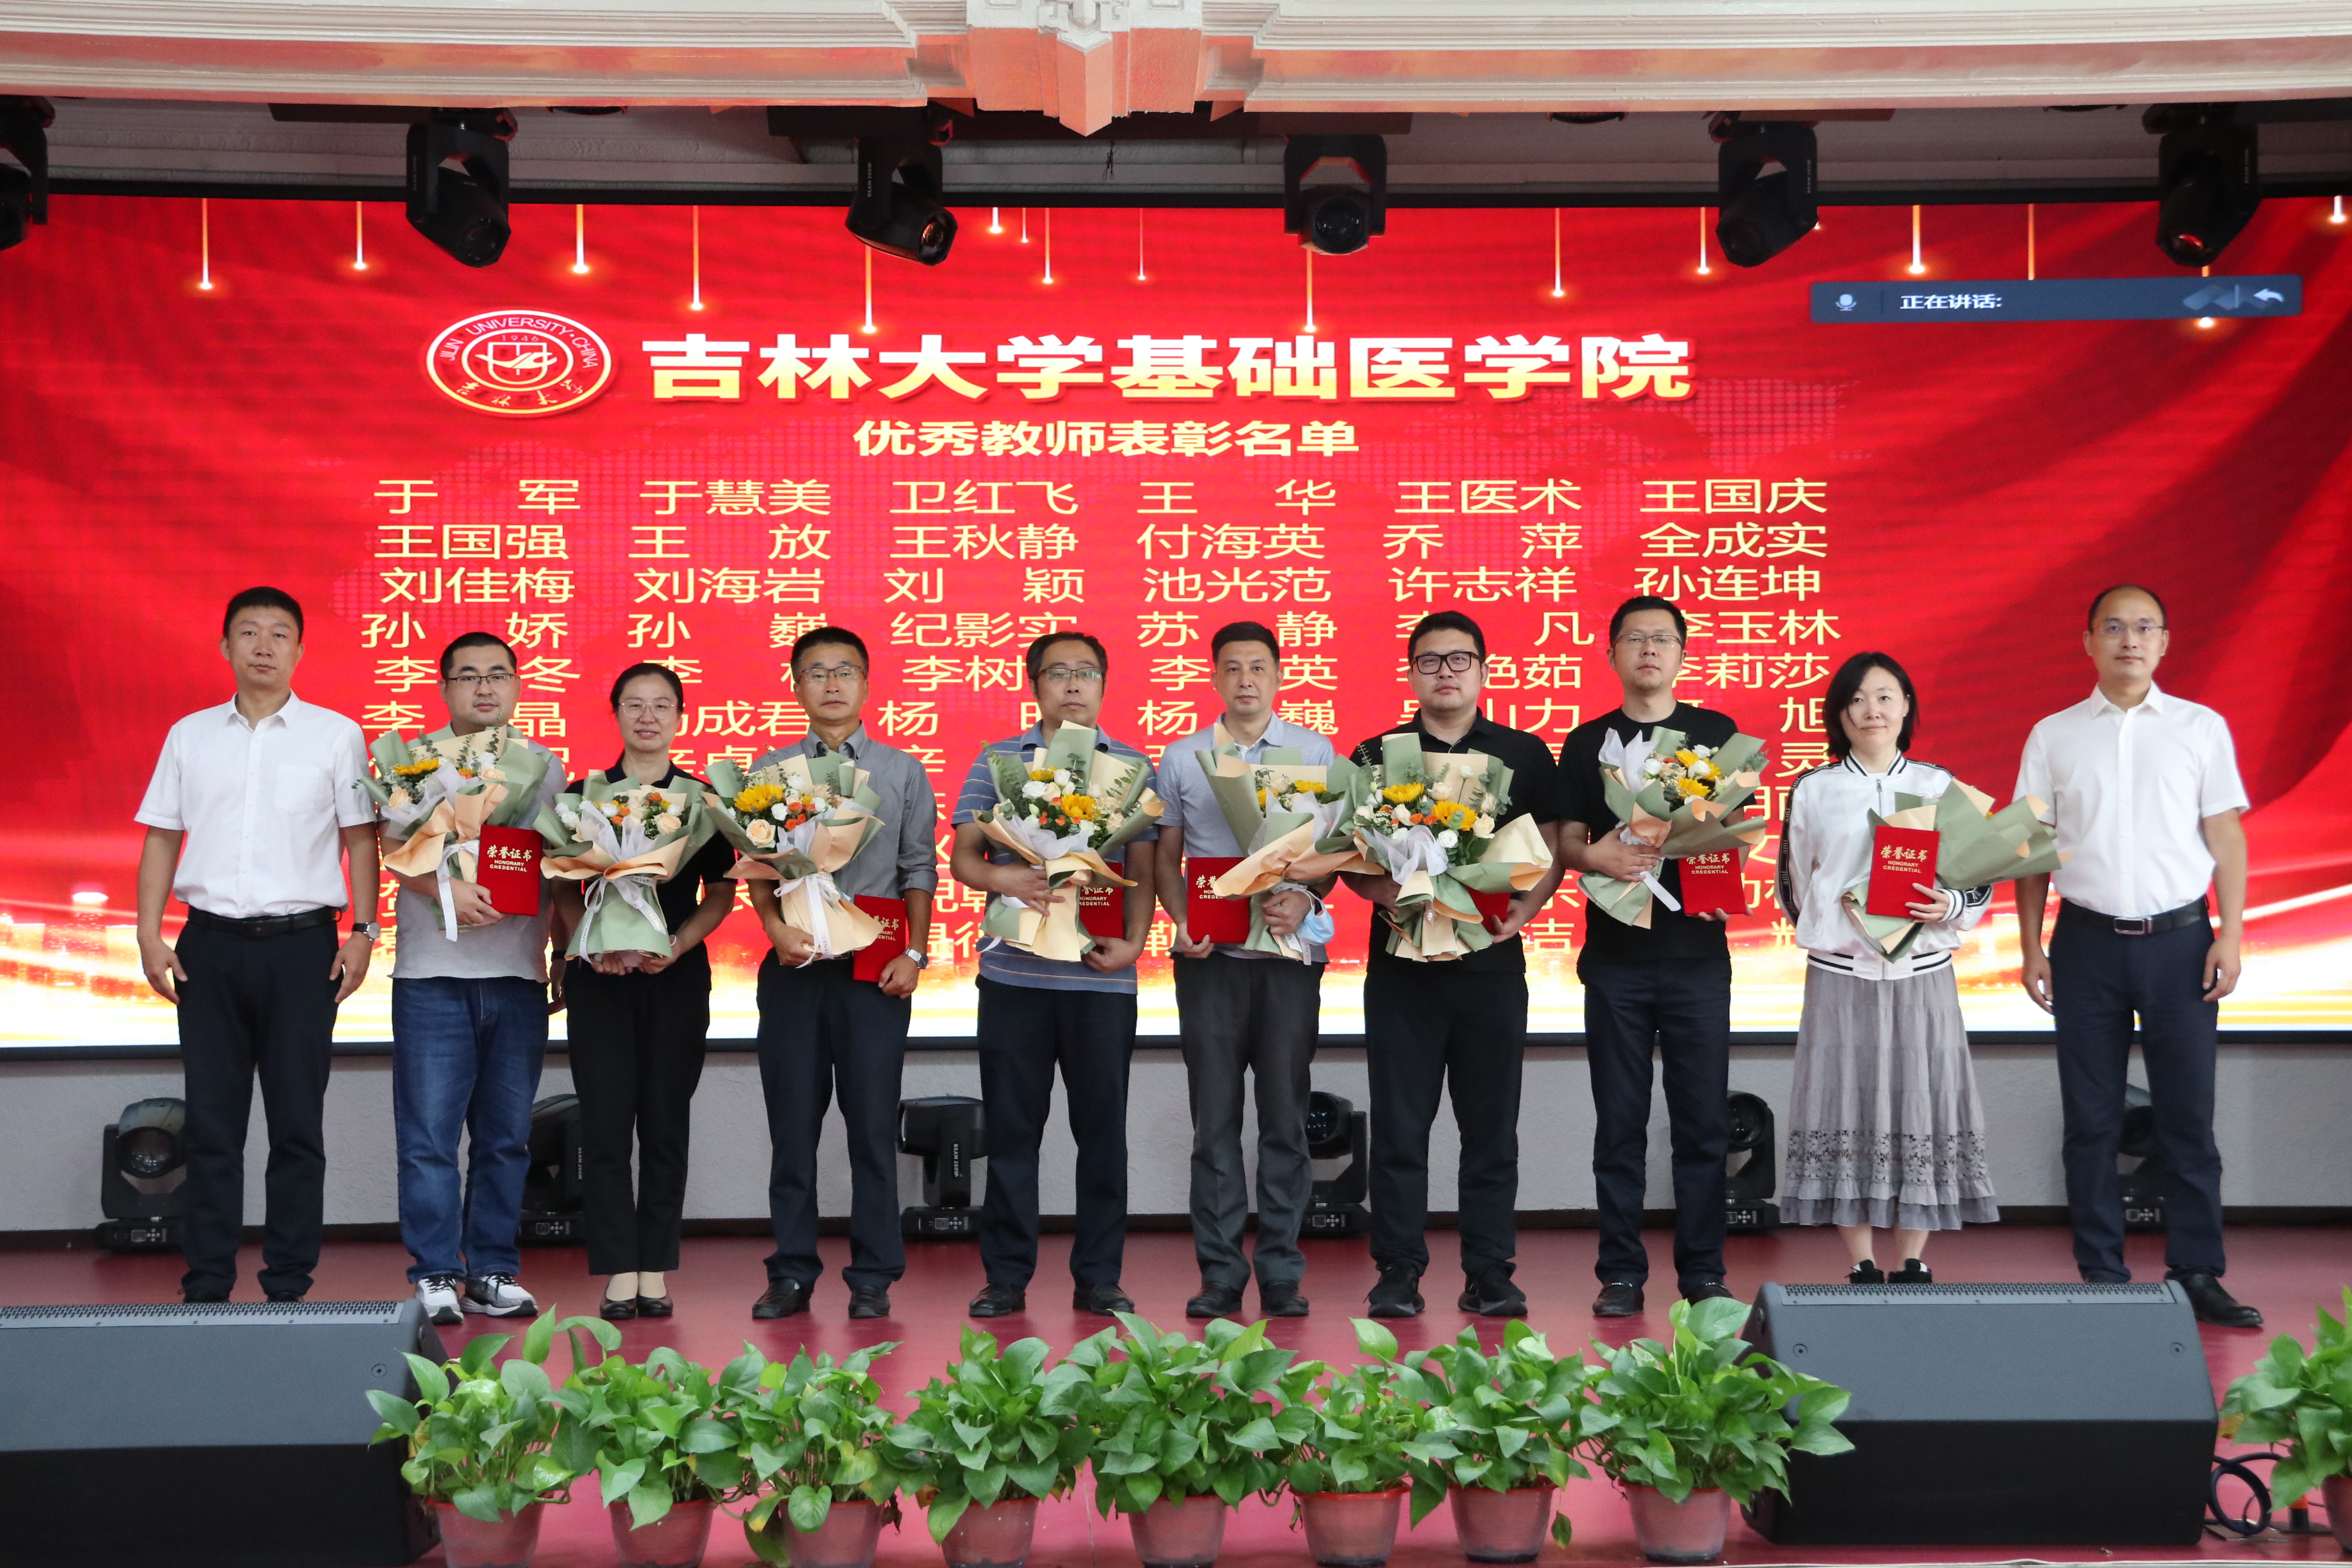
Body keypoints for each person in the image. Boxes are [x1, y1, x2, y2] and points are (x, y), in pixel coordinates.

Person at [2014, 585, 2259, 1327]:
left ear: (2164, 642)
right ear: (2088, 641)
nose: (2130, 640)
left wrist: (2231, 933)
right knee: (2090, 1120)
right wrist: (2030, 946)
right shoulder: (2053, 734)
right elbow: (2030, 848)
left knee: (2189, 1117)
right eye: (2114, 627)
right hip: (2085, 945)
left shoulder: (2200, 727)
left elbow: (2226, 837)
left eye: (2144, 627)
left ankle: (2197, 1271)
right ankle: (2103, 1275)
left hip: (2182, 944)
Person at [135, 587, 380, 1304]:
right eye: (249, 632)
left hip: (304, 950)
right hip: (207, 948)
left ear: (300, 649)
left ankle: (288, 1283)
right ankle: (208, 1282)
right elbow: (162, 836)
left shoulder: (335, 734)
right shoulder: (190, 735)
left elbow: (360, 840)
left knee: (297, 1125)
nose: (264, 645)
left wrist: (364, 932)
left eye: (279, 633)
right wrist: (149, 933)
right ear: (226, 647)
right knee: (212, 1127)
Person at [1341, 610, 1566, 1320]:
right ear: (1412, 673)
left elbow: (1551, 845)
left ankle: (1489, 1271)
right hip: (1401, 970)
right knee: (1400, 1129)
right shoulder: (1377, 755)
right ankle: (1398, 1271)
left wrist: (1523, 913)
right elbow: (1348, 855)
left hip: (1489, 966)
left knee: (1490, 1130)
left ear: (1484, 670)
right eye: (1431, 660)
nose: (1446, 672)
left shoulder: (1523, 753)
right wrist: (1388, 894)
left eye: (1459, 659)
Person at [949, 632, 1157, 1319]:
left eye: (1086, 672)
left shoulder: (1132, 767)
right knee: (1013, 1132)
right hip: (1015, 978)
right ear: (1034, 684)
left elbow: (1144, 870)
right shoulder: (1000, 761)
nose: (1073, 684)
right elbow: (964, 858)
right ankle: (1006, 1276)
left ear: (1104, 684)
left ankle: (1099, 1276)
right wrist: (1002, 877)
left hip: (1102, 978)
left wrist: (1134, 944)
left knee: (1103, 1133)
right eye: (1058, 672)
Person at [1776, 652, 1999, 1283]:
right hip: (1841, 975)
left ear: (1906, 707)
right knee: (1844, 1104)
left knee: (1921, 1102)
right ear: (1838, 713)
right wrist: (1839, 923)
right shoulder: (1815, 788)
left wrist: (1947, 904)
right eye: (1856, 699)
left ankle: (1913, 1259)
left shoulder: (1936, 785)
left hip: (1922, 974)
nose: (1871, 710)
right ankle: (1862, 1261)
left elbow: (1978, 874)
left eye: (1884, 696)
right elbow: (1794, 882)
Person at [1556, 595, 1742, 1318]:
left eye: (1663, 638)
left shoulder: (1714, 734)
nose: (1649, 650)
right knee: (1620, 1122)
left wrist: (1722, 887)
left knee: (1702, 1123)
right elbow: (1566, 838)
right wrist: (1593, 855)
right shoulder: (1588, 742)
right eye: (1634, 638)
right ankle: (1621, 1273)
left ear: (1682, 654)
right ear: (1611, 654)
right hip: (1616, 961)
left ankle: (1704, 1273)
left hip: (1698, 958)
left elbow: (1733, 831)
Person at [750, 628, 938, 1322]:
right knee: (792, 1131)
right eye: (817, 672)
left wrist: (915, 954)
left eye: (845, 671)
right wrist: (774, 929)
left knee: (871, 1130)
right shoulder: (770, 769)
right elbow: (758, 868)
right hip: (795, 968)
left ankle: (873, 1276)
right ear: (796, 685)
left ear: (866, 682)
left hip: (875, 973)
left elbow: (919, 869)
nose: (831, 683)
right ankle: (792, 1272)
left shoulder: (901, 770)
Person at [1155, 620, 1335, 1321]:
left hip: (1289, 960)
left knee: (1286, 1120)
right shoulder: (1183, 756)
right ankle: (1221, 1274)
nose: (1246, 680)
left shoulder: (1313, 751)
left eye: (1258, 666)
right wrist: (1181, 920)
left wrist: (1307, 896)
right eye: (1232, 667)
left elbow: (1335, 851)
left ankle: (1283, 1273)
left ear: (1279, 674)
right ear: (1214, 676)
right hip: (1212, 963)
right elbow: (1168, 855)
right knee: (1215, 1124)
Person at [384, 632, 565, 1324]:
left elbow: (558, 870)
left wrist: (562, 955)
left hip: (517, 974)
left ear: (517, 685)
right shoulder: (414, 762)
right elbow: (391, 847)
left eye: (497, 674)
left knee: (506, 1137)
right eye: (468, 676)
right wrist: (444, 889)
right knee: (428, 1137)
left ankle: (491, 1269)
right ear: (445, 688)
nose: (484, 687)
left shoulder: (544, 767)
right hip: (432, 974)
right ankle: (435, 1272)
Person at [553, 664, 739, 1322]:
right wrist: (585, 945)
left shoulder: (703, 800)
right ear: (616, 714)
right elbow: (561, 887)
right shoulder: (584, 796)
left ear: (680, 717)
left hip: (674, 978)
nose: (648, 717)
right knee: (604, 1125)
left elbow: (722, 892)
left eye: (662, 705)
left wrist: (678, 944)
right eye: (634, 704)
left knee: (665, 1122)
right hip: (599, 979)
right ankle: (618, 1268)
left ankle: (654, 1266)